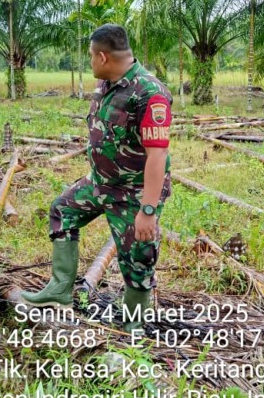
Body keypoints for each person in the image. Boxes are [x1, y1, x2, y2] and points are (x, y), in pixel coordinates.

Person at [21, 24, 172, 331]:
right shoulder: (105, 86)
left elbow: (157, 156)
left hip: (134, 192)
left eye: (91, 56)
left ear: (103, 57)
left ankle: (133, 324)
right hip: (100, 183)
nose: (89, 62)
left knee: (137, 258)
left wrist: (148, 211)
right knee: (62, 211)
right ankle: (60, 289)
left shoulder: (149, 93)